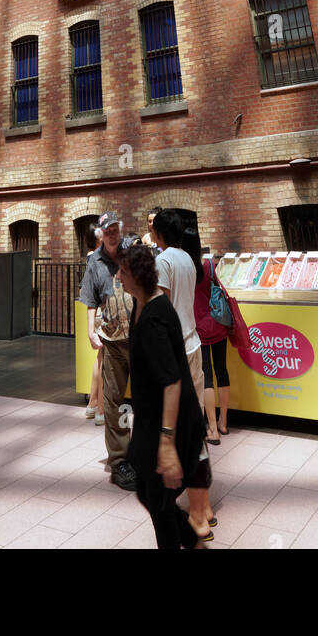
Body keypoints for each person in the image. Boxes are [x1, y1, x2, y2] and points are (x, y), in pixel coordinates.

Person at [117, 241, 209, 549]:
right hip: (151, 418)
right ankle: (193, 542)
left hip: (174, 422)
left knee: (157, 498)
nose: (119, 277)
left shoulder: (155, 315)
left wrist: (167, 444)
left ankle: (187, 542)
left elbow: (172, 383)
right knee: (147, 490)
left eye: (123, 271)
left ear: (138, 275)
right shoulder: (139, 304)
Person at [153, 210, 214, 538]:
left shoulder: (163, 262)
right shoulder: (190, 260)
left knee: (182, 432)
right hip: (193, 346)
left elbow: (161, 311)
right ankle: (203, 506)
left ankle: (198, 514)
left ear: (159, 233)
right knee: (195, 425)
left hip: (176, 351)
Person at [78, 211, 136, 490]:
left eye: (115, 229)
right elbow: (89, 298)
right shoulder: (95, 262)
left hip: (138, 336)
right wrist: (91, 331)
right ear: (100, 234)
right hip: (112, 340)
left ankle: (142, 451)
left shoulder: (131, 252)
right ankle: (119, 459)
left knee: (146, 394)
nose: (112, 234)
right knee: (113, 399)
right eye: (107, 230)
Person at [189, 235, 230, 442]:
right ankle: (223, 422)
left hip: (199, 329)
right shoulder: (210, 265)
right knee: (222, 370)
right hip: (218, 324)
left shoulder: (186, 270)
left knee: (206, 376)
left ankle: (212, 429)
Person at [83, 227, 105, 424]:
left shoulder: (92, 257)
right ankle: (100, 408)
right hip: (102, 310)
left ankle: (92, 403)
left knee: (100, 358)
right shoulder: (96, 257)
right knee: (106, 360)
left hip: (97, 310)